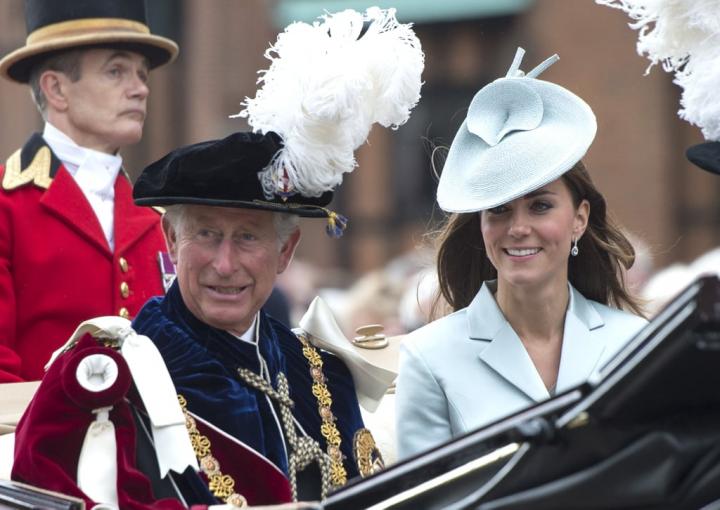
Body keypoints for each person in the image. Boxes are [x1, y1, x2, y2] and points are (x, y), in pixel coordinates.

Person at [130, 6, 424, 503]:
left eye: (248, 237)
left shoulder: (323, 375)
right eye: (206, 234)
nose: (225, 264)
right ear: (170, 239)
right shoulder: (122, 373)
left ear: (286, 251)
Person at [395, 48, 648, 459]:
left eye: (540, 206)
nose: (517, 228)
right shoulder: (429, 357)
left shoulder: (636, 345)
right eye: (498, 209)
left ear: (579, 218)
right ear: (480, 226)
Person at [0, 0, 179, 382]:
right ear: (57, 89)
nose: (140, 90)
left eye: (142, 75)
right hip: (32, 438)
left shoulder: (156, 217)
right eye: (116, 71)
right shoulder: (6, 203)